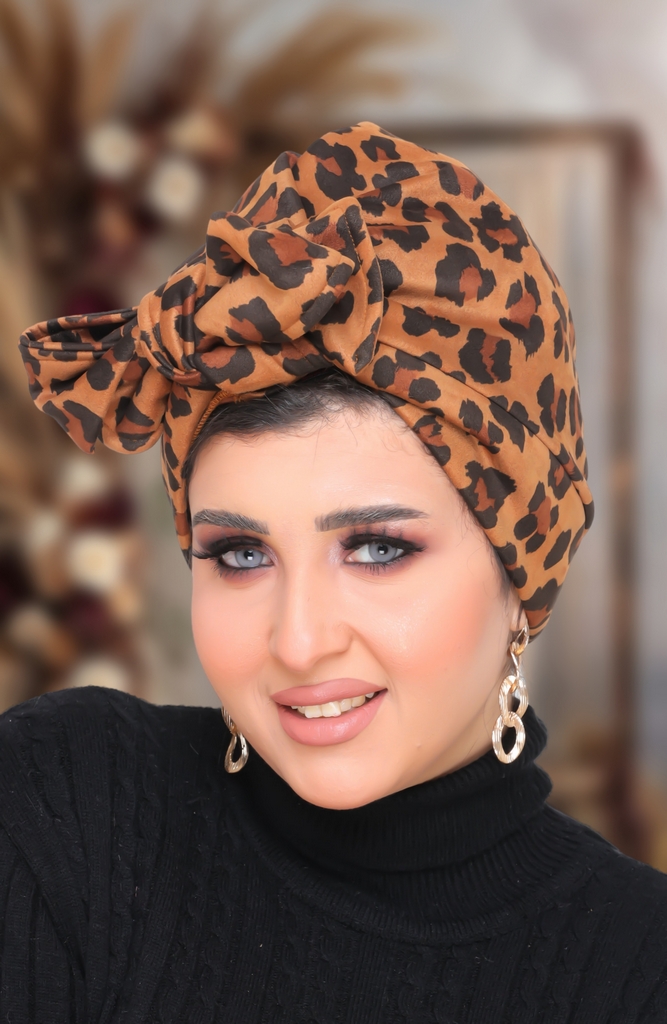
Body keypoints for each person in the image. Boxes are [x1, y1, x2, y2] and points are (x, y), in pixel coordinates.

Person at [3, 121, 666, 1022]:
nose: (299, 641)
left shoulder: (639, 969)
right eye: (240, 555)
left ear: (523, 564)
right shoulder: (69, 811)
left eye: (378, 549)